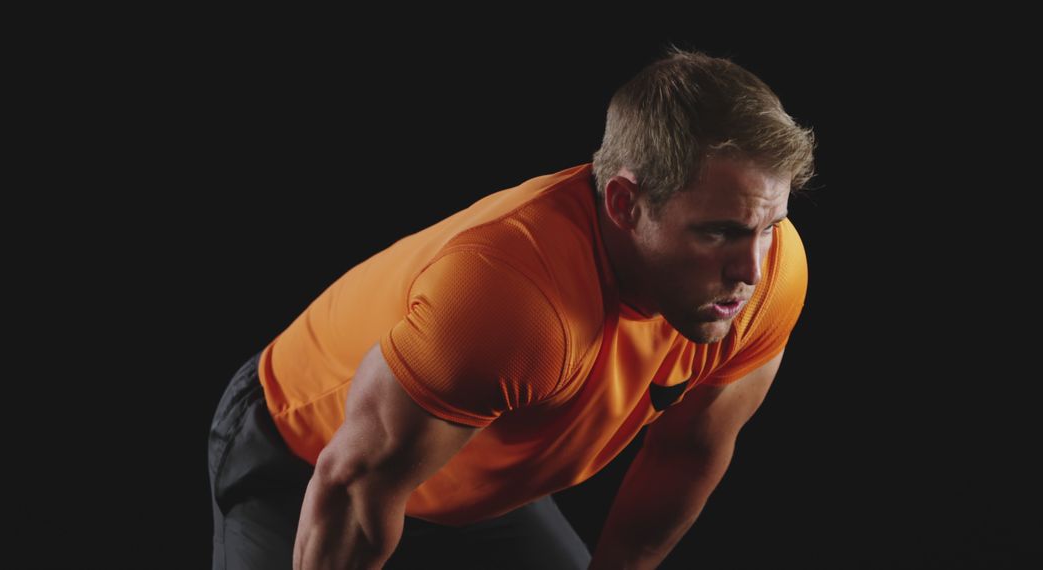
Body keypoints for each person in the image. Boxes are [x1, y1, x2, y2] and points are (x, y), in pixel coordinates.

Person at [208, 46, 816, 570]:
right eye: (718, 233)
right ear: (625, 203)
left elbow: (688, 453)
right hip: (309, 462)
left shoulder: (768, 276)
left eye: (769, 228)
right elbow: (352, 487)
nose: (751, 271)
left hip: (473, 481)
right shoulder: (515, 300)